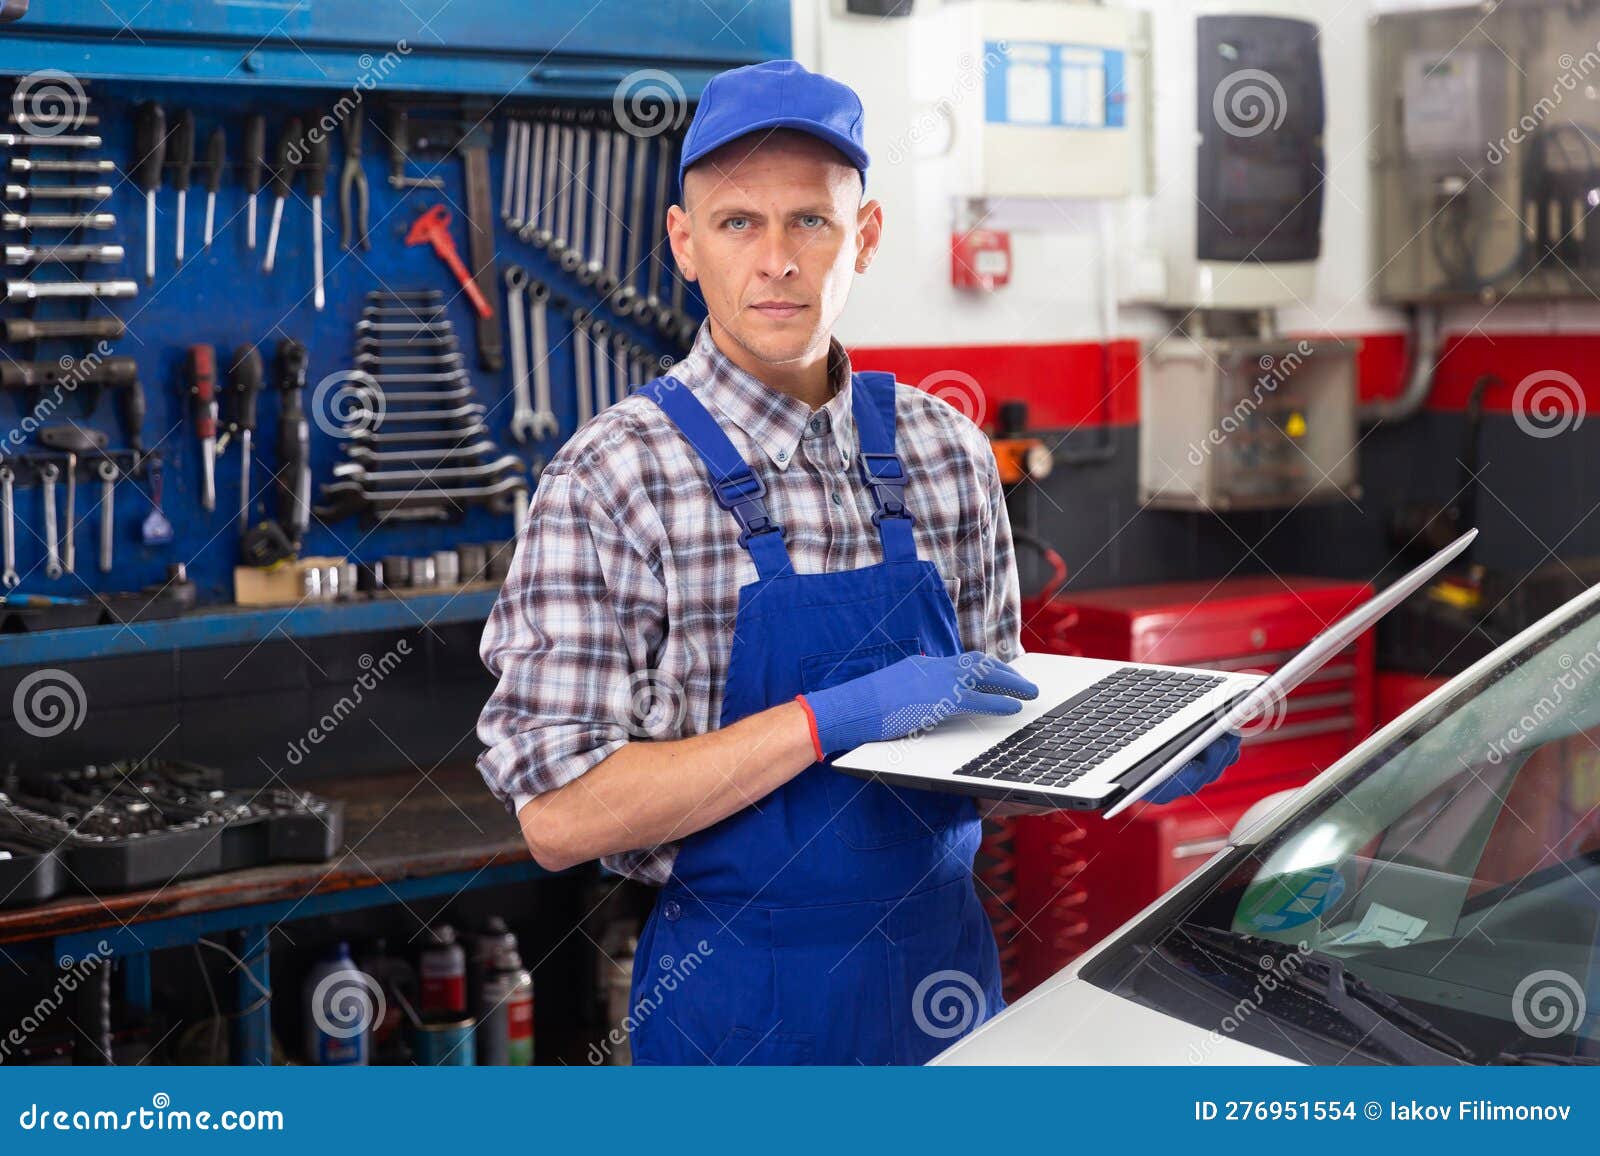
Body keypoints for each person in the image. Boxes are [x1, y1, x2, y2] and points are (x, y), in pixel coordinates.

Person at [477, 58, 1241, 1065]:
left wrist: (1114, 763)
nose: (777, 260)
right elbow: (562, 817)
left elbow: (977, 749)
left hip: (945, 980)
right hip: (739, 1001)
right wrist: (818, 722)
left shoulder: (945, 451)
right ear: (684, 244)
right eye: (738, 222)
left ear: (865, 237)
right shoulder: (612, 477)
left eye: (811, 221)